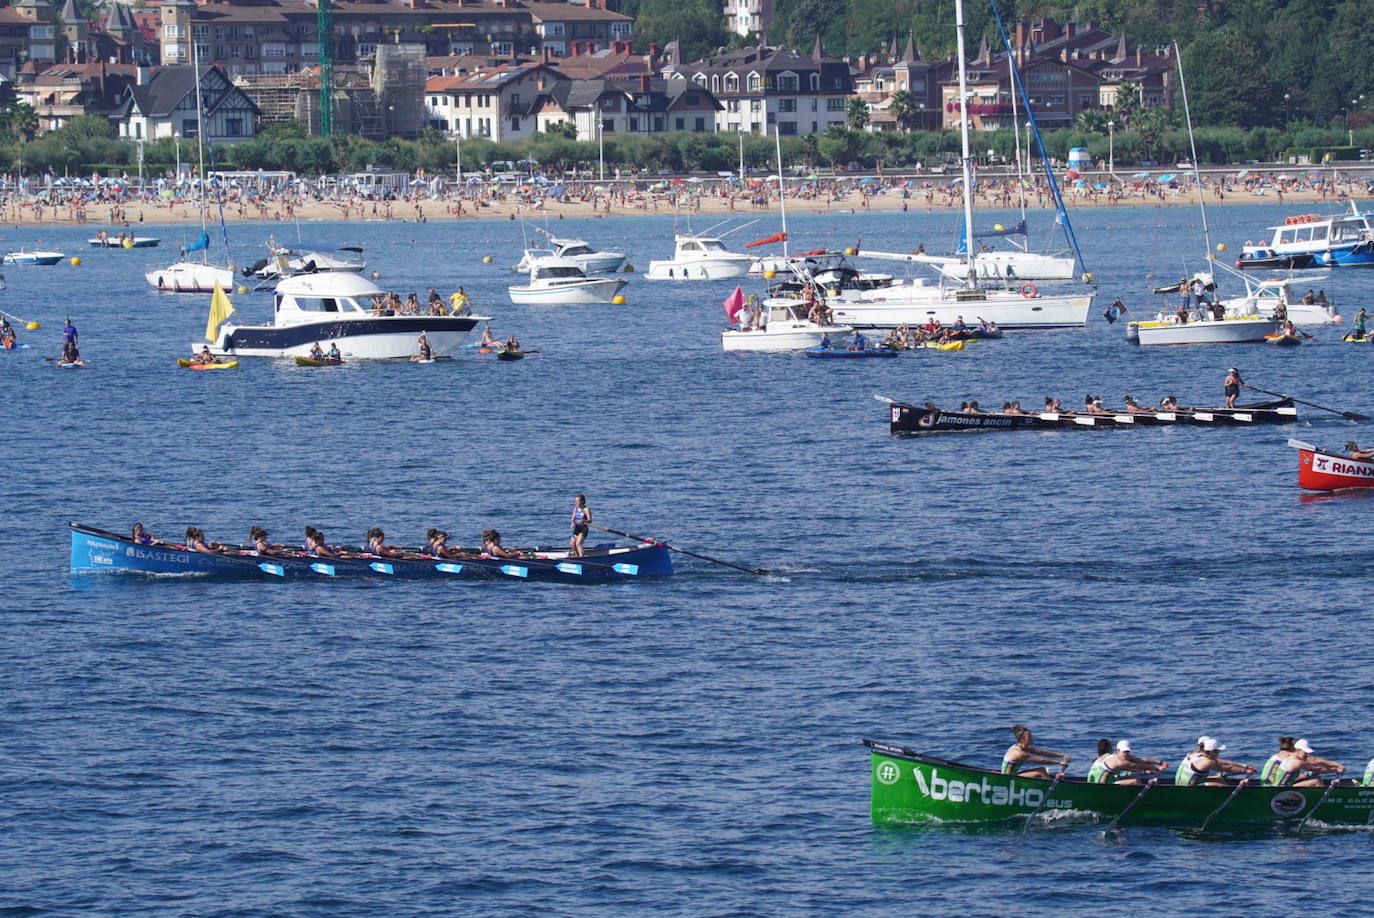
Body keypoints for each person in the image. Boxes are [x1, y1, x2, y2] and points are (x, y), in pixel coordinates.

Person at [1174, 736, 1255, 787]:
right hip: (1188, 788)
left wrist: (1245, 766)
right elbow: (1228, 769)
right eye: (1218, 751)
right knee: (1222, 786)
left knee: (1219, 779)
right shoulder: (1206, 762)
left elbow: (1227, 763)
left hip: (1185, 783)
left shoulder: (1195, 755)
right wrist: (1245, 771)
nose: (1220, 752)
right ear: (1212, 751)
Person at [1001, 725, 1070, 780]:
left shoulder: (1025, 747)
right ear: (1022, 739)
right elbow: (1041, 760)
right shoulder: (1019, 753)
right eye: (1029, 737)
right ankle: (1055, 790)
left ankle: (1049, 784)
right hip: (1007, 779)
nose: (1032, 738)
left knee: (1042, 769)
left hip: (1013, 775)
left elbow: (1043, 753)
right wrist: (1059, 763)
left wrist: (1062, 755)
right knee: (1039, 773)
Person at [1267, 738, 1344, 787]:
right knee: (1317, 781)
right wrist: (1336, 769)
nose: (1307, 754)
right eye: (1305, 752)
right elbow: (1318, 769)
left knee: (1314, 777)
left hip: (1282, 785)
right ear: (1298, 750)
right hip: (1282, 790)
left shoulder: (1291, 758)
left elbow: (1315, 761)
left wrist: (1335, 766)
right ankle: (1326, 803)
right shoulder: (1295, 761)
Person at [1087, 739, 1168, 786]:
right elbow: (1136, 766)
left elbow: (1140, 760)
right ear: (1117, 751)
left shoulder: (1109, 756)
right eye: (1124, 752)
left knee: (1134, 777)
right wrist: (1157, 769)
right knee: (1135, 781)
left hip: (1104, 782)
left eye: (1127, 752)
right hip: (1101, 786)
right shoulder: (1117, 761)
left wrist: (1159, 762)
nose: (1126, 755)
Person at [569, 493, 591, 558]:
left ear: (582, 501)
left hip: (583, 529)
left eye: (578, 501)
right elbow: (572, 519)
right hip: (577, 528)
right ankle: (577, 556)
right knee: (572, 544)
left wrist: (584, 521)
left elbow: (590, 520)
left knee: (578, 543)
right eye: (575, 501)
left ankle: (582, 558)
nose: (576, 502)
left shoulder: (586, 509)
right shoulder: (575, 509)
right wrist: (572, 523)